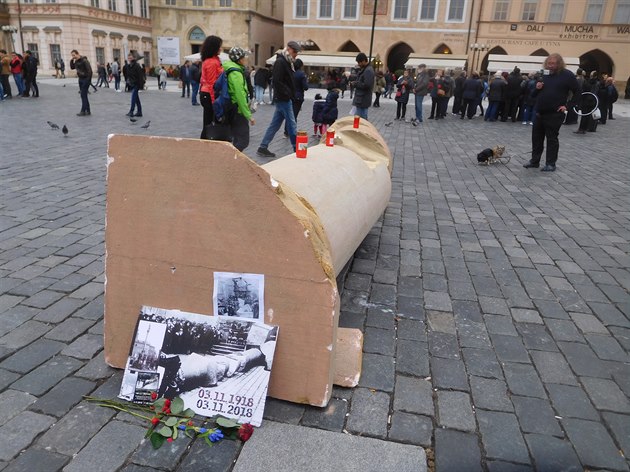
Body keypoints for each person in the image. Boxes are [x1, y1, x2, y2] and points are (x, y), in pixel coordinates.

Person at [523, 53, 579, 172]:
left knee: (552, 139)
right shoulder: (544, 74)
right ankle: (535, 161)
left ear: (559, 64)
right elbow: (533, 95)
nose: (550, 66)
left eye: (553, 63)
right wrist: (536, 88)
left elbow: (578, 92)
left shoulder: (567, 75)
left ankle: (550, 163)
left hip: (554, 113)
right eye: (549, 63)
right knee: (536, 138)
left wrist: (567, 106)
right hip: (539, 111)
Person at [256, 40, 301, 158]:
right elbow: (277, 81)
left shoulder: (287, 61)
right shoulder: (281, 62)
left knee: (275, 124)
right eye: (295, 51)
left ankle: (263, 147)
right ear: (289, 49)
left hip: (283, 97)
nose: (296, 54)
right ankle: (297, 148)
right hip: (283, 98)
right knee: (291, 123)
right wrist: (287, 93)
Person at [222, 46, 255, 151]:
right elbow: (239, 95)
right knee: (243, 141)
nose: (246, 59)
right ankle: (229, 160)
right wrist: (248, 115)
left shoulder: (233, 69)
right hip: (238, 110)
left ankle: (232, 160)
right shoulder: (236, 73)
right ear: (239, 59)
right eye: (244, 57)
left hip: (233, 108)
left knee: (237, 139)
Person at [199, 35, 223, 139]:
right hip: (209, 95)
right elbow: (212, 84)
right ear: (214, 47)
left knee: (209, 122)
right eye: (219, 46)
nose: (221, 48)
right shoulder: (212, 63)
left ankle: (207, 142)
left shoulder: (212, 60)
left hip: (206, 94)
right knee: (209, 123)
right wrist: (215, 102)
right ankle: (206, 143)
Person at [284, 58, 308, 137]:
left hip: (290, 95)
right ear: (301, 66)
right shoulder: (301, 74)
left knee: (289, 114)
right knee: (294, 115)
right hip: (298, 97)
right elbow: (305, 87)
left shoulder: (290, 73)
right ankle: (291, 131)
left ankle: (286, 131)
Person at [351, 52, 374, 121]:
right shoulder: (366, 69)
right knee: (359, 120)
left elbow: (367, 85)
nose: (358, 64)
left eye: (359, 62)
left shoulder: (368, 70)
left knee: (361, 121)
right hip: (361, 99)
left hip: (363, 100)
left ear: (364, 61)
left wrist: (355, 84)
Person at [70, 50, 92, 115]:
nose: (73, 56)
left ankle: (83, 111)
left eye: (74, 55)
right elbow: (72, 67)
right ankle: (88, 110)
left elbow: (90, 71)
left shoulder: (84, 61)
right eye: (72, 55)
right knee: (84, 95)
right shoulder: (76, 61)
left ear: (78, 54)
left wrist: (88, 80)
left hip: (86, 79)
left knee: (83, 95)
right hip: (80, 79)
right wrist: (71, 60)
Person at [126, 51, 145, 117]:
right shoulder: (129, 66)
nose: (130, 59)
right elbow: (128, 75)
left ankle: (131, 111)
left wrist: (141, 86)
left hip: (136, 84)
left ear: (134, 58)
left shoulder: (137, 66)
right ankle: (139, 112)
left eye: (131, 58)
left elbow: (140, 76)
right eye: (129, 58)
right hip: (132, 84)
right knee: (136, 98)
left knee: (133, 98)